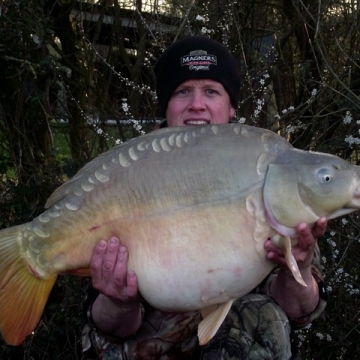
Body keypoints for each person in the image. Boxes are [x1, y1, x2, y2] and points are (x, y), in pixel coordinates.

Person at [81, 36, 328, 359]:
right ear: (166, 106)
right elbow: (107, 325)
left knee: (261, 316)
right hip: (145, 347)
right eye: (183, 91)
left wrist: (300, 266)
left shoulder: (271, 178)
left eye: (211, 91)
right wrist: (118, 301)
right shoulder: (128, 174)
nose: (197, 104)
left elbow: (298, 310)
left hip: (235, 343)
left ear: (231, 107)